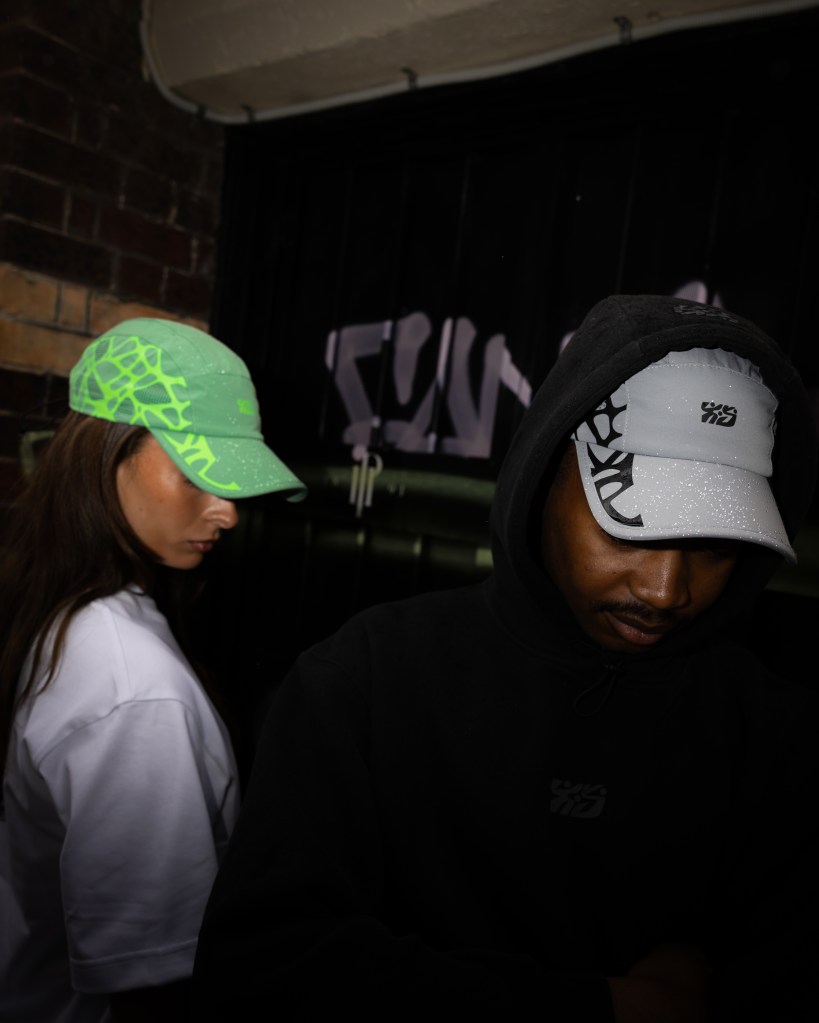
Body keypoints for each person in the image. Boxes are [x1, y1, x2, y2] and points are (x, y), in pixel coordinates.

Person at [190, 294, 819, 1022]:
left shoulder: (775, 737)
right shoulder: (365, 682)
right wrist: (610, 1007)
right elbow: (260, 971)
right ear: (542, 476)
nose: (665, 589)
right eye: (630, 524)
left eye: (715, 545)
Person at [0, 317, 306, 1023]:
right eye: (198, 471)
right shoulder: (135, 689)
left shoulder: (69, 614)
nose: (228, 512)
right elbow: (157, 986)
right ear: (108, 453)